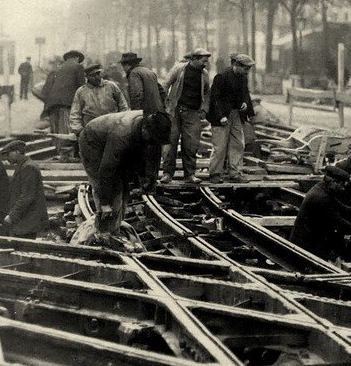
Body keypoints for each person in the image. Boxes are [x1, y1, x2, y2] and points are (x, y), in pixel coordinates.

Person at [78, 110, 172, 236]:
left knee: (124, 184)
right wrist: (105, 203)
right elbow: (106, 170)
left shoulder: (150, 128)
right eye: (151, 139)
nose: (152, 143)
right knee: (114, 188)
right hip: (92, 142)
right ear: (144, 129)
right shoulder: (121, 134)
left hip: (111, 139)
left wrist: (147, 178)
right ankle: (105, 231)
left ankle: (115, 226)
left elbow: (149, 155)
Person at [290, 165, 351, 261]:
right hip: (306, 246)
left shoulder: (321, 188)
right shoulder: (322, 198)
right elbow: (338, 222)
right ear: (334, 182)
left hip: (308, 239)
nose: (343, 188)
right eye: (341, 185)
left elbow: (340, 207)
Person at [160, 49, 211, 185]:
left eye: (206, 61)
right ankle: (167, 174)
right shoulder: (179, 69)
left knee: (191, 144)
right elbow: (165, 84)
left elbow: (207, 93)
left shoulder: (204, 75)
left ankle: (190, 175)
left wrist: (204, 109)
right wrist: (164, 104)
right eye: (203, 61)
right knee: (171, 142)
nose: (205, 64)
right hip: (175, 111)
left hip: (193, 112)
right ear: (194, 59)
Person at [206, 53, 255, 184]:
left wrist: (246, 104)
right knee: (220, 146)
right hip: (221, 116)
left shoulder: (243, 77)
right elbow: (214, 99)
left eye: (249, 69)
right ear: (236, 65)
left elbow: (245, 93)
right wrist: (220, 116)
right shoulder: (221, 77)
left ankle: (235, 172)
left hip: (236, 114)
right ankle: (215, 173)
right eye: (246, 68)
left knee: (238, 144)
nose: (247, 71)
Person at [0, 140, 50, 238]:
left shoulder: (29, 168)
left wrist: (11, 216)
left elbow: (27, 196)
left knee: (26, 248)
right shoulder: (23, 166)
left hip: (29, 220)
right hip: (25, 218)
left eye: (8, 154)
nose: (6, 158)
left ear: (17, 152)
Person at [42, 50, 86, 158]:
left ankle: (59, 152)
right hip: (67, 103)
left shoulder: (56, 69)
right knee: (66, 129)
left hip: (52, 104)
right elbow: (82, 87)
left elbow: (45, 90)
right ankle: (66, 155)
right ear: (76, 58)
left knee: (56, 130)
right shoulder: (78, 67)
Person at [69, 64, 129, 135]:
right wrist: (78, 130)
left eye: (98, 74)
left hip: (112, 128)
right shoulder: (81, 91)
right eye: (93, 75)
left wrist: (122, 124)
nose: (97, 77)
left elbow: (123, 106)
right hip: (92, 130)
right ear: (87, 77)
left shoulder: (111, 86)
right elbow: (75, 113)